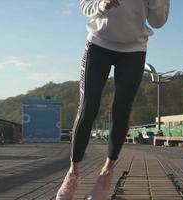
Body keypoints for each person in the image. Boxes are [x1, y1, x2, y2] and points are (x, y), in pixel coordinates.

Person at [56, 0, 170, 199]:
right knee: (88, 108)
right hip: (99, 43)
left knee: (121, 110)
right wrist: (101, 4)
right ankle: (73, 173)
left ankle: (106, 173)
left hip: (134, 49)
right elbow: (84, 5)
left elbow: (158, 21)